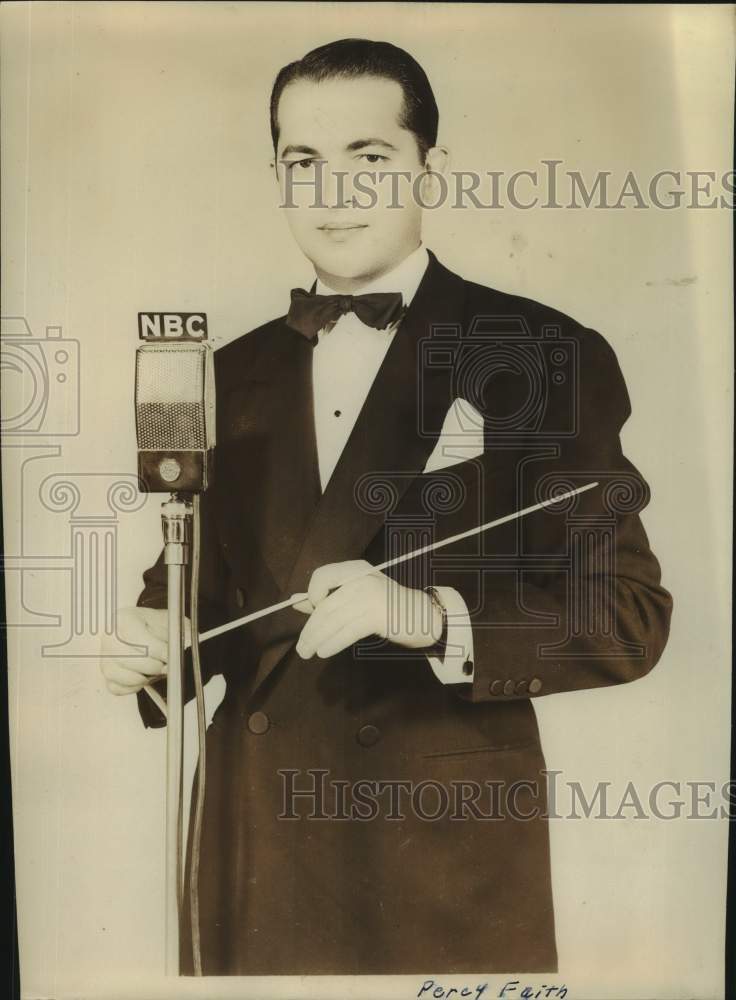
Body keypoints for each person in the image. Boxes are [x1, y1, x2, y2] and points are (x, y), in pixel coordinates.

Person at [102, 38, 672, 976]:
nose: (332, 196)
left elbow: (630, 618)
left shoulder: (536, 349)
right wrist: (153, 643)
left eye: (369, 161)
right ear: (277, 179)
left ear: (428, 170)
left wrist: (430, 618)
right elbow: (193, 595)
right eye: (303, 164)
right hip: (254, 846)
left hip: (438, 863)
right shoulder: (225, 375)